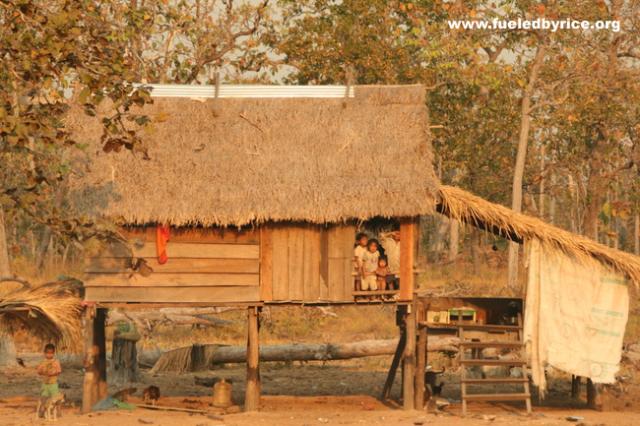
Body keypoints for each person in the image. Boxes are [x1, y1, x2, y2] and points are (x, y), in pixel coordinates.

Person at [36, 343, 62, 417]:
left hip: (53, 383)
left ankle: (58, 412)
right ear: (44, 353)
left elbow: (59, 370)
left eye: (51, 353)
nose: (49, 355)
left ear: (54, 353)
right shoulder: (43, 362)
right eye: (47, 353)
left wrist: (54, 373)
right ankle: (42, 412)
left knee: (56, 398)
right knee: (44, 398)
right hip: (45, 384)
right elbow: (38, 371)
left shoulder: (56, 362)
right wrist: (43, 372)